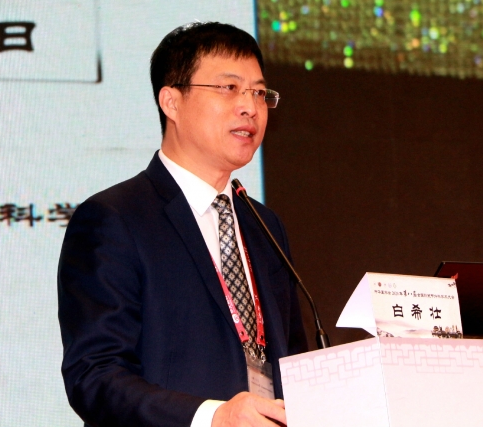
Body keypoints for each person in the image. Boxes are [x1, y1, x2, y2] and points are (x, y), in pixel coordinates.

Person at [57, 22, 308, 427]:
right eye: (229, 88)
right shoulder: (115, 218)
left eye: (259, 93)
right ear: (171, 102)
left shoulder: (265, 226)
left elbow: (294, 363)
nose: (249, 106)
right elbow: (95, 376)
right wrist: (212, 418)